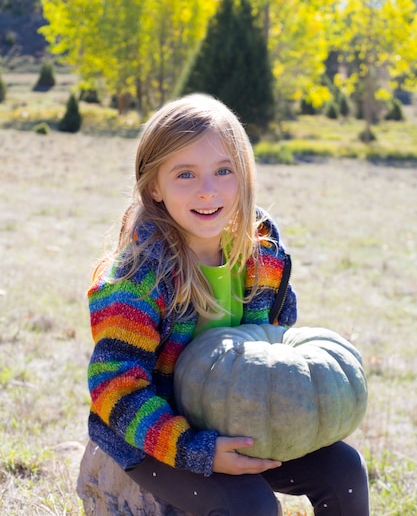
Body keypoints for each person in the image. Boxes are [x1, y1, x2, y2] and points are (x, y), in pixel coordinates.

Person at [86, 94, 370, 516]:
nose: (208, 190)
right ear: (154, 187)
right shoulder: (137, 279)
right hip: (158, 435)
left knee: (345, 470)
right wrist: (196, 450)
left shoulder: (262, 253)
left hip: (246, 422)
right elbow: (116, 389)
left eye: (224, 170)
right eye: (185, 174)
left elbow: (276, 339)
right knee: (250, 505)